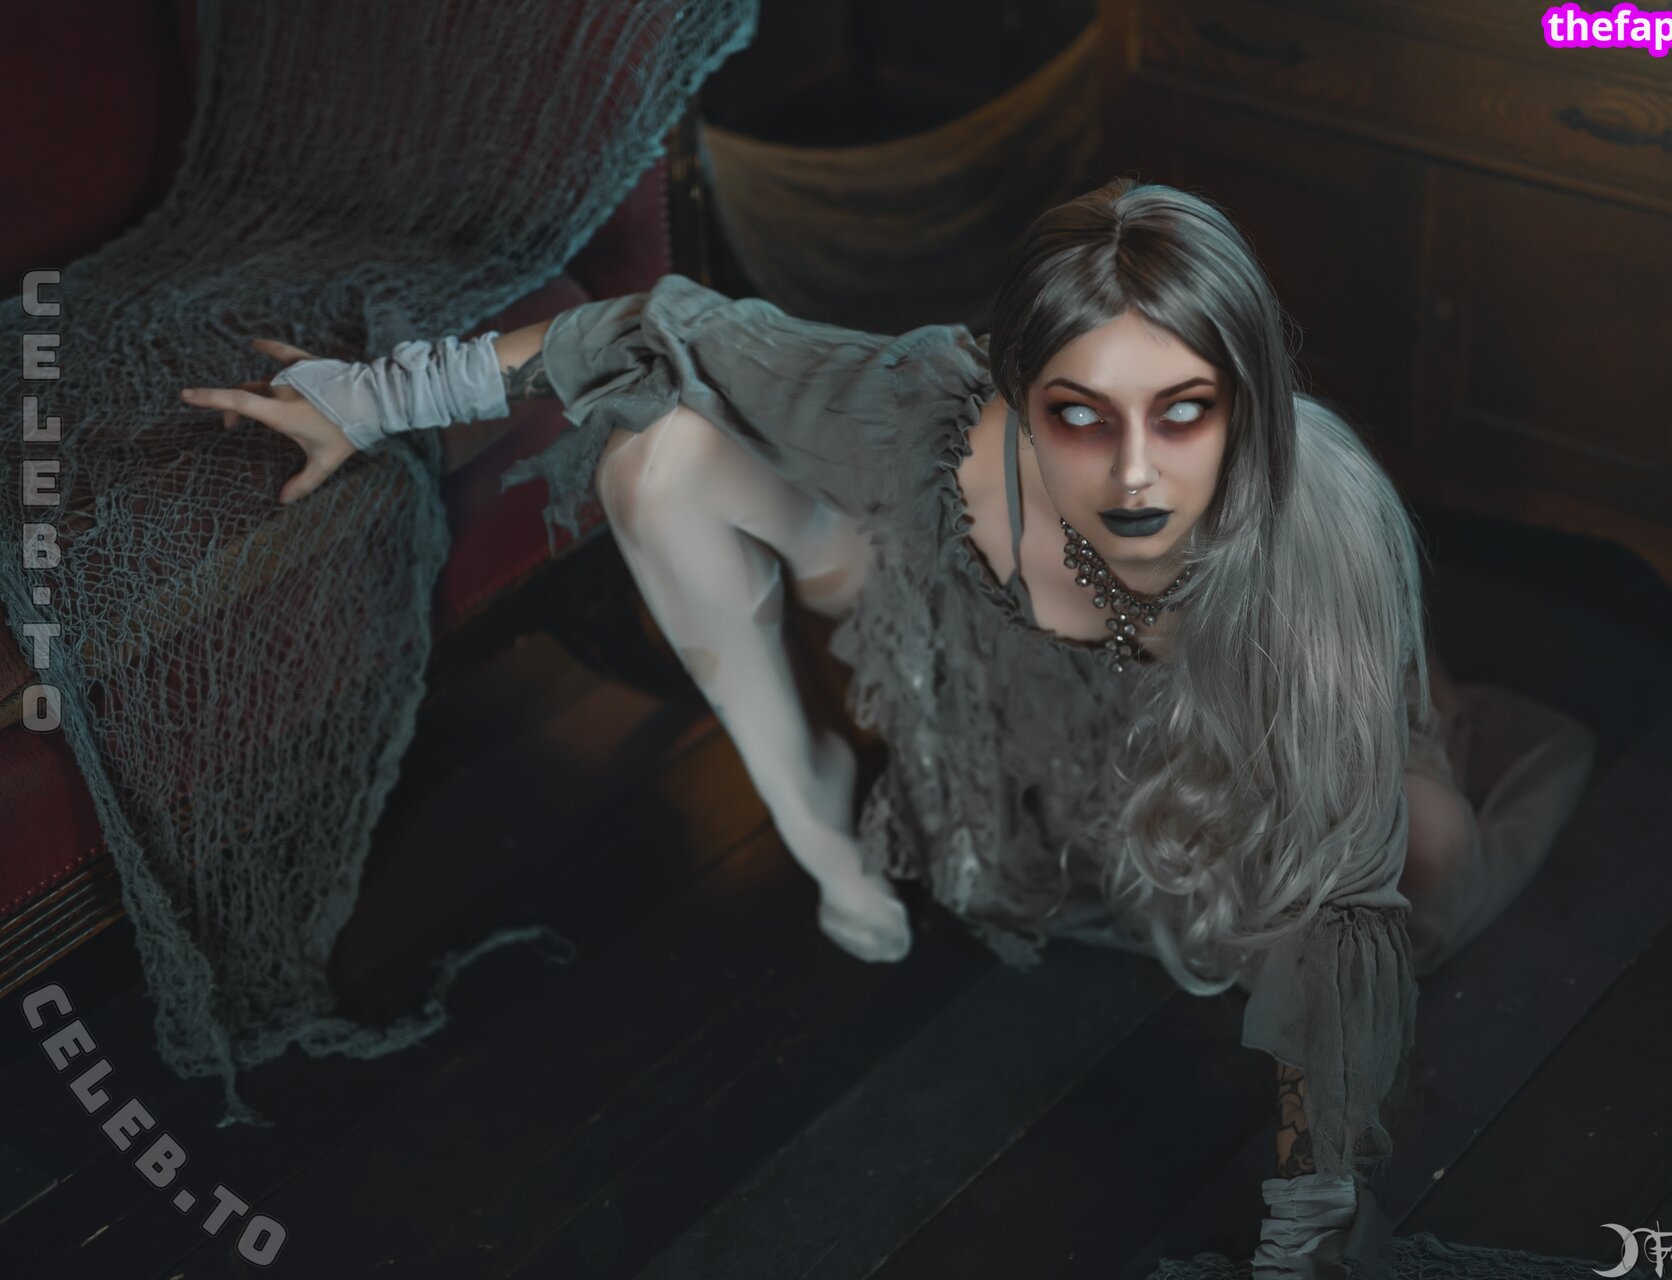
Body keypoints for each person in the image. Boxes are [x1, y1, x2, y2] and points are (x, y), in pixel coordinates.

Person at [179, 178, 1596, 1278]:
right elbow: (659, 326)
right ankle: (820, 817)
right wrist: (372, 400)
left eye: (1186, 413)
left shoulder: (1313, 535)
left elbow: (1341, 929)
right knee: (658, 457)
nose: (1137, 476)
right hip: (998, 713)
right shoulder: (932, 412)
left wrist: (1314, 1226)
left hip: (1237, 778)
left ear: (1250, 402)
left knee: (1428, 856)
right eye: (1081, 416)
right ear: (1018, 394)